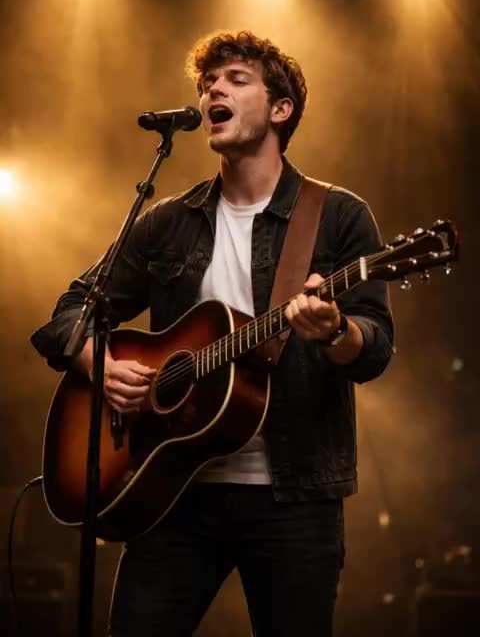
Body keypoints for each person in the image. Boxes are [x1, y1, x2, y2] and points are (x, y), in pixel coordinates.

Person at [31, 31, 394, 637]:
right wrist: (100, 363)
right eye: (206, 84)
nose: (211, 91)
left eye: (235, 80)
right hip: (173, 491)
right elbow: (72, 310)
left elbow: (375, 346)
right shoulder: (169, 222)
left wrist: (334, 331)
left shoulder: (337, 215)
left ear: (281, 109)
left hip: (293, 498)